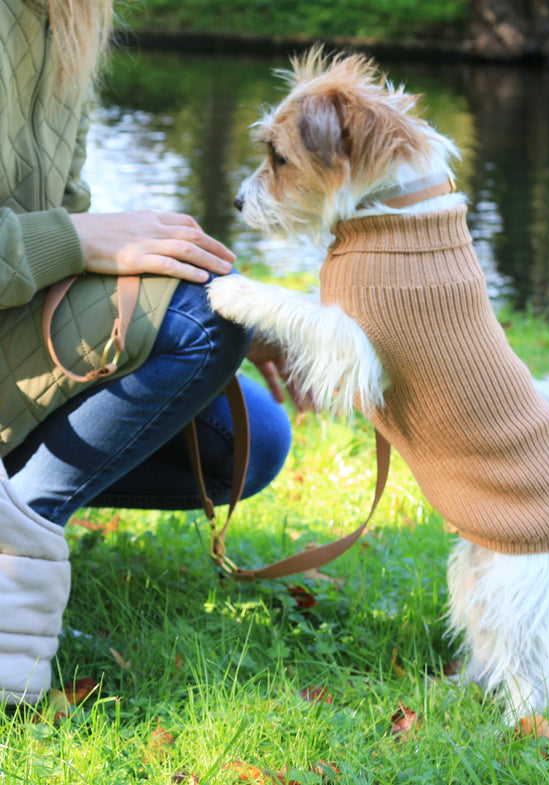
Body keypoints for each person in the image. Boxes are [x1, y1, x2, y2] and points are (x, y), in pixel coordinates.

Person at [0, 0, 294, 704]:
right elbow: (73, 234)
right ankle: (15, 554)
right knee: (201, 322)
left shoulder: (70, 15)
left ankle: (18, 517)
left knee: (251, 439)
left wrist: (242, 310)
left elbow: (66, 212)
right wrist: (78, 237)